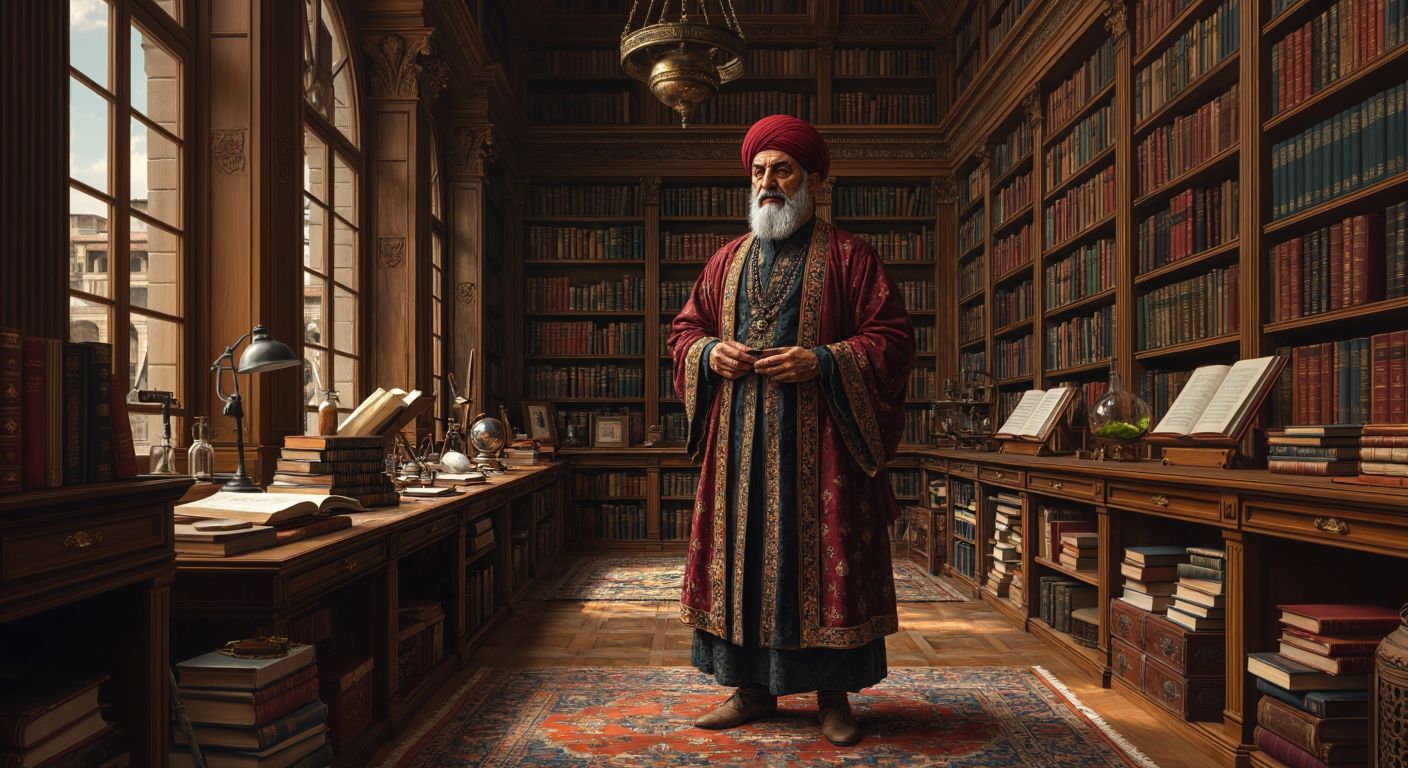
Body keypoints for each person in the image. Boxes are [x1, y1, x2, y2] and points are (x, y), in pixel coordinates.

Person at [667, 114, 916, 746]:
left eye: (782, 170)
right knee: (744, 563)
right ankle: (750, 690)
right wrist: (709, 354)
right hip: (738, 451)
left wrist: (823, 360)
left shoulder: (851, 257)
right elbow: (684, 331)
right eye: (759, 171)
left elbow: (892, 339)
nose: (768, 182)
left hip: (825, 449)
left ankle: (833, 698)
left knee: (826, 567)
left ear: (812, 180)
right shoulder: (726, 261)